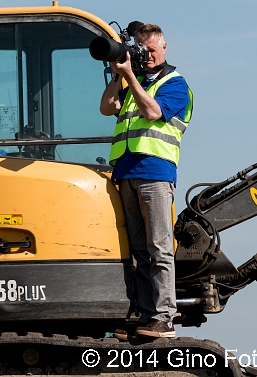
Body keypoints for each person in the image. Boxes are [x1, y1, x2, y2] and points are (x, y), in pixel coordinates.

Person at [99, 24, 193, 339]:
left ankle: (164, 317)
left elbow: (153, 113)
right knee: (138, 250)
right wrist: (118, 75)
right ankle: (144, 315)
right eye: (143, 50)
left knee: (159, 248)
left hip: (155, 173)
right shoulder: (131, 80)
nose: (147, 56)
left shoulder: (175, 84)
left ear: (164, 48)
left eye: (152, 50)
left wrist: (132, 80)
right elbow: (106, 108)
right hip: (126, 172)